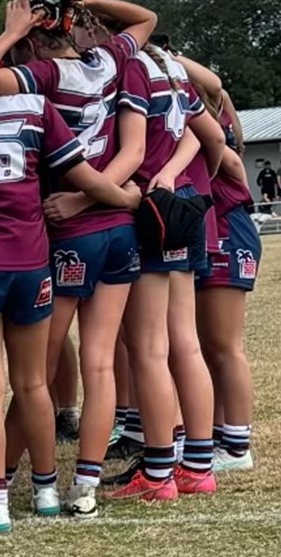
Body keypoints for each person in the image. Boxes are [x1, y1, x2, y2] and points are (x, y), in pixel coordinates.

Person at [0, 39, 141, 533]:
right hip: (31, 259)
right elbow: (82, 175)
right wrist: (126, 198)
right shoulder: (36, 106)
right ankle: (44, 490)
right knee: (35, 383)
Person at [0, 0, 157, 518]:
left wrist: (12, 28)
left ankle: (3, 480)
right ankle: (85, 487)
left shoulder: (43, 73)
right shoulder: (110, 59)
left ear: (36, 28)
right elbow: (146, 19)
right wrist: (77, 0)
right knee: (98, 365)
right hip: (117, 221)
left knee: (34, 376)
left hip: (69, 226)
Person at [107, 40, 225, 502]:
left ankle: (158, 473)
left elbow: (133, 154)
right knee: (186, 343)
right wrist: (183, 174)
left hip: (150, 211)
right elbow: (207, 132)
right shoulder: (169, 67)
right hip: (183, 206)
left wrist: (83, 195)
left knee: (149, 349)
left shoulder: (132, 67)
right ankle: (198, 464)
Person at [196, 89, 260, 473]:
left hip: (229, 233)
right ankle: (223, 435)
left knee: (224, 345)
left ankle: (237, 446)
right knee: (208, 348)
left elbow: (214, 86)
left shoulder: (215, 137)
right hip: (213, 232)